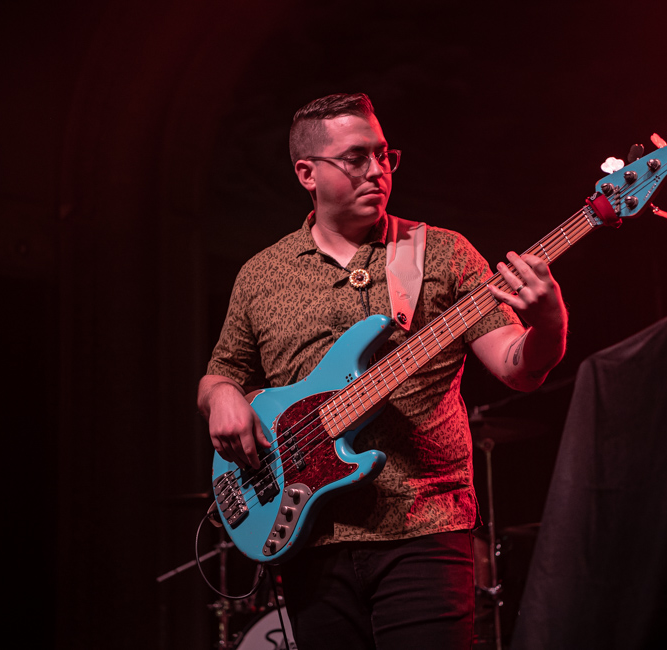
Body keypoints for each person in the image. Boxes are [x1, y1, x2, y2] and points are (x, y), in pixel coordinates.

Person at [197, 93, 568, 649]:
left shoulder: (442, 253)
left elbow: (517, 366)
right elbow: (221, 371)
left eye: (384, 154)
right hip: (307, 534)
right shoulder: (261, 274)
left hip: (426, 525)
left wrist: (550, 323)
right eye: (355, 158)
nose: (377, 170)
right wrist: (221, 394)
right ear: (307, 173)